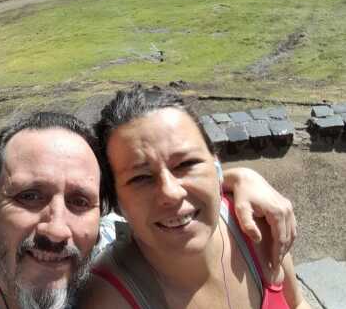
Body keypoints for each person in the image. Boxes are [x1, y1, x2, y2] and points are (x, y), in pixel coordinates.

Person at [0, 111, 296, 309]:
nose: (58, 229)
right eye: (29, 196)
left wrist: (238, 179)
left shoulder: (98, 237)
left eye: (80, 201)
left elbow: (162, 199)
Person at [81, 86, 306, 309]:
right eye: (140, 178)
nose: (171, 193)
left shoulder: (258, 227)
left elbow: (297, 303)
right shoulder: (107, 299)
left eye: (186, 164)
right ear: (116, 202)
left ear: (216, 163)